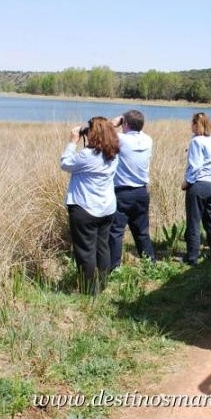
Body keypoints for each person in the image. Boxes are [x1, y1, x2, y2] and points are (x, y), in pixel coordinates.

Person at [60, 116, 120, 295]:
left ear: (93, 135)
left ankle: (88, 290)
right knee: (102, 247)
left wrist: (72, 141)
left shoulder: (87, 155)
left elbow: (65, 164)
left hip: (85, 209)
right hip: (107, 208)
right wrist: (107, 125)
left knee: (85, 251)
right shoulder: (114, 152)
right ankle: (102, 284)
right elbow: (106, 133)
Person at [109, 110, 155, 270]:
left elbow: (101, 132)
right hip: (141, 192)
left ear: (125, 124)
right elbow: (136, 130)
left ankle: (114, 267)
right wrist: (126, 121)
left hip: (122, 193)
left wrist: (113, 124)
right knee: (142, 231)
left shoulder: (121, 139)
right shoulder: (148, 140)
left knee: (116, 232)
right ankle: (150, 263)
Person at [181, 112, 211, 264]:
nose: (190, 127)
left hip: (199, 184)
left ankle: (192, 257)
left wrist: (187, 182)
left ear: (197, 125)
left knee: (194, 221)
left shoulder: (196, 141)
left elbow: (195, 166)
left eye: (192, 124)